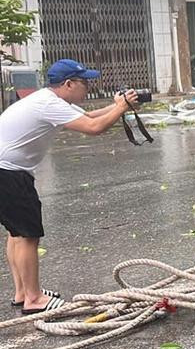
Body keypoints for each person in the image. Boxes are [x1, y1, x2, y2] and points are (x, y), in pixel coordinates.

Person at [0, 60, 140, 314]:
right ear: (68, 84)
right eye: (84, 83)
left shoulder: (48, 100)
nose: (87, 88)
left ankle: (23, 293)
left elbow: (87, 116)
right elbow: (94, 128)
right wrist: (120, 108)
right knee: (28, 235)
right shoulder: (49, 104)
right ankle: (34, 299)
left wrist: (120, 106)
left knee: (17, 233)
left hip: (7, 169)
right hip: (8, 172)